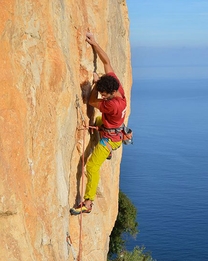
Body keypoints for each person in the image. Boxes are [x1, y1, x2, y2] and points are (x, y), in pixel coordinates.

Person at [70, 32, 127, 215]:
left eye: (104, 94)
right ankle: (108, 147)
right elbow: (107, 62)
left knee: (92, 167)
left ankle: (88, 202)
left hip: (110, 138)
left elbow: (92, 102)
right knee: (98, 121)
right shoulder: (116, 86)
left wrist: (95, 85)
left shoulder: (112, 105)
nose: (103, 95)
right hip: (113, 127)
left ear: (109, 94)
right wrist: (94, 43)